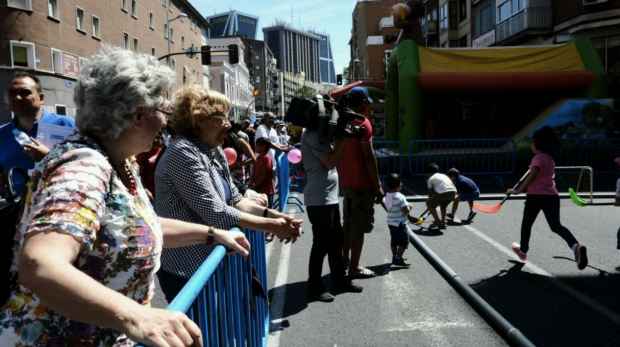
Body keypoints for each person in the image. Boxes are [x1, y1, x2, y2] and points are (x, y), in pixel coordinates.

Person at [0, 47, 251, 347]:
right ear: (138, 115)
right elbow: (40, 265)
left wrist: (212, 234)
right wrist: (136, 317)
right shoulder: (84, 167)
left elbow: (130, 229)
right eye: (165, 111)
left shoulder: (118, 161)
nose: (165, 123)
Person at [154, 85, 303, 302]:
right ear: (200, 120)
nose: (228, 124)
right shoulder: (182, 151)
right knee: (206, 335)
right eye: (222, 116)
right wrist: (272, 226)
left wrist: (276, 217)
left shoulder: (214, 150)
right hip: (188, 271)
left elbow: (235, 200)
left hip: (211, 264)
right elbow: (216, 213)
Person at [508, 125, 587, 270]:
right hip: (552, 196)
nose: (531, 144)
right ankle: (575, 246)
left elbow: (533, 176)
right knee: (556, 226)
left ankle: (523, 251)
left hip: (536, 196)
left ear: (538, 143)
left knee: (527, 224)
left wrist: (517, 191)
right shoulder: (549, 159)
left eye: (532, 141)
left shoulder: (537, 158)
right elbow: (540, 173)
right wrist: (533, 169)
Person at [301, 118, 363, 301]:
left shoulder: (319, 135)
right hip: (319, 200)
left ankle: (340, 281)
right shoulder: (312, 135)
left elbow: (333, 154)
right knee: (322, 245)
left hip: (328, 198)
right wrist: (344, 139)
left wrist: (339, 137)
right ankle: (315, 286)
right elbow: (329, 162)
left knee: (336, 242)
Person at [0, 72, 76, 196]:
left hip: (60, 207)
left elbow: (92, 162)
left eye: (25, 92)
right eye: (12, 93)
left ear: (41, 98)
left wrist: (49, 157)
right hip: (15, 211)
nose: (17, 97)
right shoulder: (2, 133)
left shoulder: (66, 125)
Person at [339, 87, 385, 279]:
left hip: (346, 182)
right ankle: (355, 267)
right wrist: (378, 185)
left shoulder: (341, 119)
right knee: (358, 226)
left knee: (348, 224)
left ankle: (345, 260)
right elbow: (368, 157)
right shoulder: (362, 123)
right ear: (364, 102)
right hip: (362, 184)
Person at [385, 173, 412, 267]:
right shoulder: (400, 196)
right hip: (400, 223)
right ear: (400, 186)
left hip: (391, 222)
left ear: (387, 186)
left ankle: (394, 256)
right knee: (404, 241)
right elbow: (406, 210)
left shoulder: (387, 196)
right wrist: (410, 206)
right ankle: (398, 259)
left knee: (394, 240)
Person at [136, 129, 164, 202]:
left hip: (161, 198)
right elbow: (139, 174)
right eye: (153, 137)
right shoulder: (143, 153)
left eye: (158, 137)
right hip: (148, 195)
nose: (155, 140)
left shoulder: (164, 152)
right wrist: (145, 189)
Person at [425, 163, 457, 229]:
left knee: (428, 202)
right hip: (453, 192)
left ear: (429, 173)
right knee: (443, 206)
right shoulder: (444, 176)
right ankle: (443, 222)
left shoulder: (430, 179)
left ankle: (437, 221)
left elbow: (430, 193)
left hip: (444, 192)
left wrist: (430, 205)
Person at [249, 137, 275, 208]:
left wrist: (255, 186)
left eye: (257, 145)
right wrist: (251, 181)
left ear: (263, 147)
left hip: (266, 190)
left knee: (268, 211)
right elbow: (254, 172)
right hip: (258, 190)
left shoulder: (267, 158)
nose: (256, 147)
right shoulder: (257, 158)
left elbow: (265, 174)